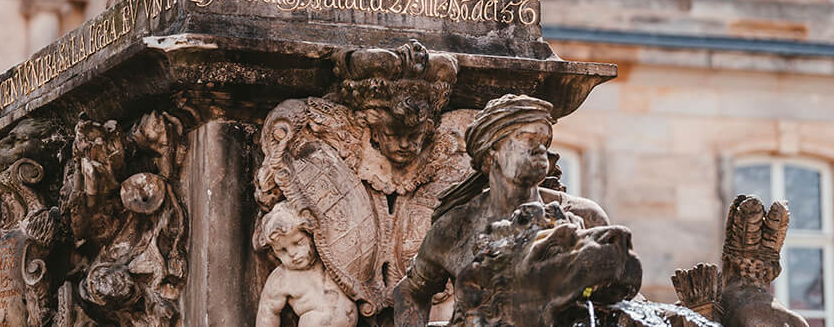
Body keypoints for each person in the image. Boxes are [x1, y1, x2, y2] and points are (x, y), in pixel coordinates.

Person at [392, 94, 611, 327]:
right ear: (491, 153)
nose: (540, 149)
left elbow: (620, 297)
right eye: (527, 139)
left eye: (544, 141)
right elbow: (410, 291)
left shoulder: (584, 216)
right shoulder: (455, 229)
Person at [254, 201, 358, 327]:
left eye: (297, 243)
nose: (292, 253)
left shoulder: (328, 256)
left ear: (310, 234)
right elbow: (268, 311)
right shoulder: (282, 278)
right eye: (282, 250)